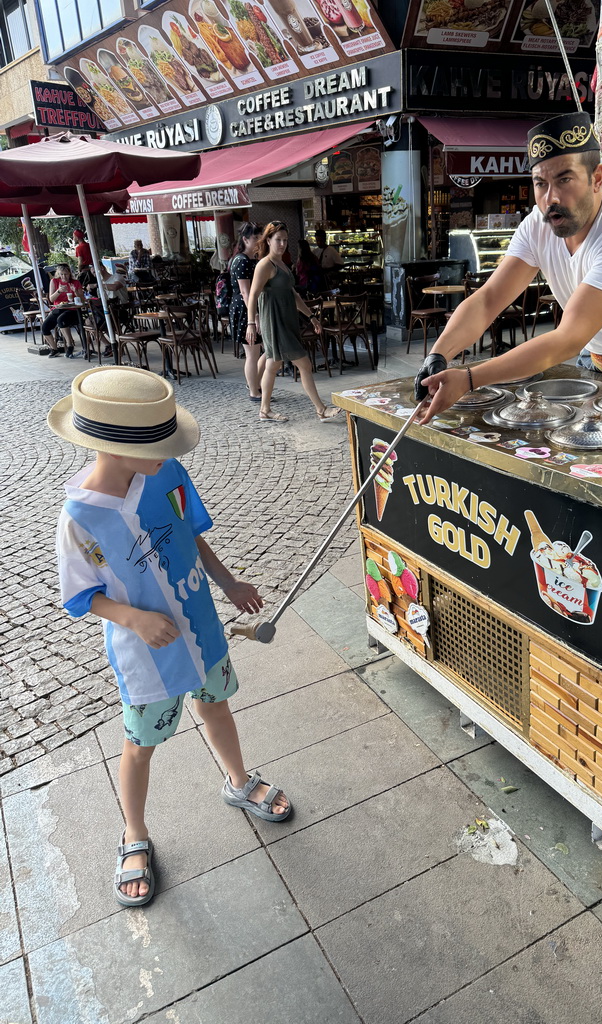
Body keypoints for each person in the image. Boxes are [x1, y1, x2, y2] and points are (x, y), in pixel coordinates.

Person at [49, 366, 293, 908]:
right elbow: (81, 594)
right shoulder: (80, 518)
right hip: (148, 657)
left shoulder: (167, 472)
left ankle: (237, 779)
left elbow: (191, 535)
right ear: (109, 445)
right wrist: (133, 619)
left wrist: (228, 582)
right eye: (157, 443)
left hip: (201, 630)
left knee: (218, 706)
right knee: (140, 745)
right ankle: (133, 834)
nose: (168, 451)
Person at [415, 111, 602, 423]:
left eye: (564, 179)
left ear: (597, 178)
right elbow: (488, 299)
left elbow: (568, 337)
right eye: (540, 183)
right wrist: (439, 355)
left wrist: (469, 378)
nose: (551, 198)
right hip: (596, 362)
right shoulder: (536, 225)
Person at [245, 221, 341, 422]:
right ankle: (320, 409)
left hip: (286, 321)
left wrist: (312, 317)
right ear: (268, 240)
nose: (282, 244)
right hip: (275, 322)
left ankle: (264, 410)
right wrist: (251, 323)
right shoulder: (265, 264)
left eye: (285, 240)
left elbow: (293, 294)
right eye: (278, 239)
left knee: (272, 365)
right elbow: (253, 295)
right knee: (304, 364)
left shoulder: (282, 264)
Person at [229, 222, 265, 403]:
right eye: (255, 238)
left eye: (260, 238)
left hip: (249, 308)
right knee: (252, 352)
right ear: (245, 239)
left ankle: (254, 385)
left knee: (259, 351)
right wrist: (254, 317)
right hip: (245, 310)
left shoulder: (250, 259)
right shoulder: (242, 260)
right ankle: (254, 391)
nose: (259, 241)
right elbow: (245, 292)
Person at [43, 263, 85, 358]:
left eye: (65, 274)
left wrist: (76, 292)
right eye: (61, 274)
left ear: (69, 273)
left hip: (73, 309)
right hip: (59, 308)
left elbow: (82, 300)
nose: (64, 276)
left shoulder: (75, 282)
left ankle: (70, 345)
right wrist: (58, 291)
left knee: (61, 320)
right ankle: (54, 349)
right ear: (58, 274)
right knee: (45, 327)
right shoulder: (54, 281)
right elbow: (52, 299)